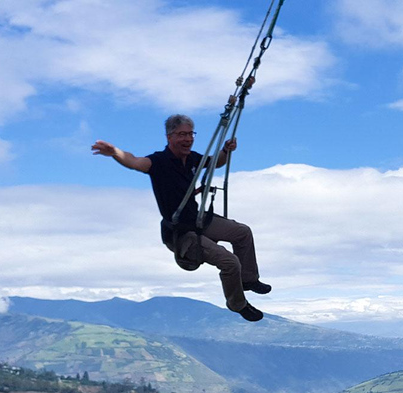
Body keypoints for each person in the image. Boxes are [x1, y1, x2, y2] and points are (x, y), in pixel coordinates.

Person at [91, 114, 270, 322]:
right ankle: (237, 303)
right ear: (169, 137)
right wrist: (115, 152)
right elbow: (135, 162)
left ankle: (248, 280)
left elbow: (215, 163)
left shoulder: (193, 159)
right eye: (182, 134)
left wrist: (225, 151)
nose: (187, 139)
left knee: (242, 233)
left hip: (197, 219)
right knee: (229, 262)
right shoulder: (159, 162)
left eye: (190, 134)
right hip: (179, 232)